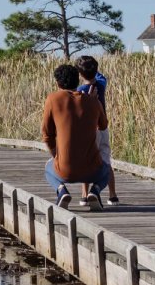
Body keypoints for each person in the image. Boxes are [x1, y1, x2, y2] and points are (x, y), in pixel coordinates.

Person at [42, 62, 110, 210]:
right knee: (106, 171)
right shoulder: (93, 101)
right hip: (93, 170)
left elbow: (47, 135)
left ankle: (61, 191)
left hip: (65, 171)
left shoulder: (52, 99)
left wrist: (55, 155)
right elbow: (103, 125)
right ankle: (95, 191)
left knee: (48, 168)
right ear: (77, 80)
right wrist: (93, 102)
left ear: (57, 83)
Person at [75, 55, 119, 205]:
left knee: (86, 160)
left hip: (88, 130)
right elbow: (101, 76)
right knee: (106, 161)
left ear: (80, 74)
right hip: (102, 127)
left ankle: (84, 195)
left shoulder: (79, 90)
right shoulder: (101, 84)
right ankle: (112, 195)